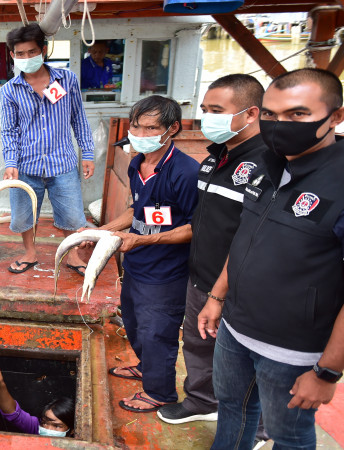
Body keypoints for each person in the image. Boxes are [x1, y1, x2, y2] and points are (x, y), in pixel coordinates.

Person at [198, 68, 344, 449]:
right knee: (232, 408)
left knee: (288, 435)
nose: (279, 125)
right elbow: (245, 237)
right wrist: (217, 296)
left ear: (336, 117)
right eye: (270, 114)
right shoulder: (266, 163)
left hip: (292, 348)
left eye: (297, 115)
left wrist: (326, 372)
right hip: (235, 327)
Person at [157, 74, 266, 426]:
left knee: (246, 355)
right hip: (201, 273)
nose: (207, 117)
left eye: (217, 110)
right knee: (197, 342)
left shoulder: (267, 165)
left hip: (242, 285)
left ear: (251, 114)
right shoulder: (214, 158)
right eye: (204, 109)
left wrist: (219, 295)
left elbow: (253, 238)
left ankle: (260, 423)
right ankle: (202, 400)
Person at [89, 95, 198, 413]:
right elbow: (140, 210)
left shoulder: (186, 173)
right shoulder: (138, 163)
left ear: (172, 129)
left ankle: (160, 393)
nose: (140, 133)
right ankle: (144, 367)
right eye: (136, 126)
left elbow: (195, 228)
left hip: (166, 274)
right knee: (135, 325)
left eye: (151, 127)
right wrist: (103, 232)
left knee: (157, 333)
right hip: (136, 267)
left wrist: (144, 242)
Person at [1, 23, 95, 275]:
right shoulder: (9, 90)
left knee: (72, 212)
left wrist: (87, 153)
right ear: (12, 55)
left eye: (31, 52)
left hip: (62, 162)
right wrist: (10, 162)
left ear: (43, 50)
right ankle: (30, 253)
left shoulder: (67, 79)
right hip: (25, 165)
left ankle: (73, 255)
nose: (26, 58)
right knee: (23, 214)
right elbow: (9, 130)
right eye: (20, 54)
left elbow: (78, 118)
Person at [0, 363, 74, 436]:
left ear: (72, 430)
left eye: (57, 426)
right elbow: (12, 413)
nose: (48, 429)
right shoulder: (36, 429)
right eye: (44, 423)